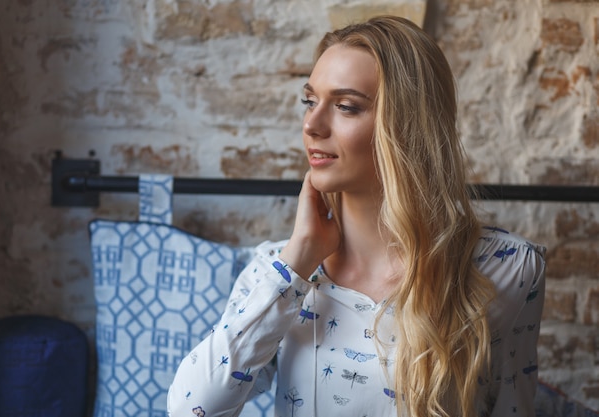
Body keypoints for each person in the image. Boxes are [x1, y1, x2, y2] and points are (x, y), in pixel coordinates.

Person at [168, 15, 546, 417]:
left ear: (408, 127)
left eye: (346, 106)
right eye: (310, 101)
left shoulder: (506, 269)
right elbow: (191, 409)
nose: (311, 125)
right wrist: (296, 263)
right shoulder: (277, 274)